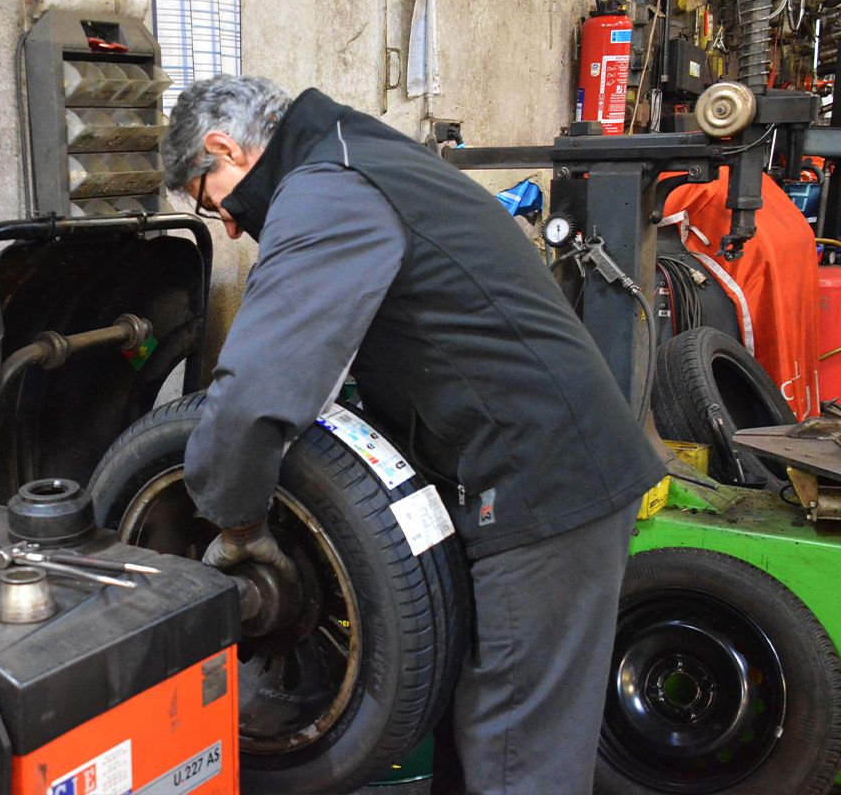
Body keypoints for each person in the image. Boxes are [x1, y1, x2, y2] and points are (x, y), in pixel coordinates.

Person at [160, 75, 665, 795]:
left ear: (224, 148)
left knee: (519, 754)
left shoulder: (327, 188)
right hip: (521, 463)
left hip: (543, 480)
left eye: (213, 203)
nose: (232, 225)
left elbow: (257, 390)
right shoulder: (355, 150)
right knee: (487, 732)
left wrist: (234, 520)